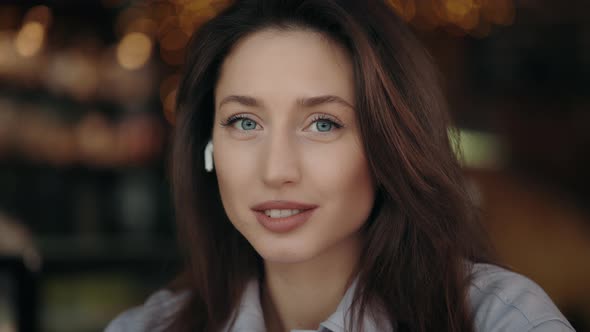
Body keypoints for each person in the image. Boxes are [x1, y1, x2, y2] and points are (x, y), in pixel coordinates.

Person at [106, 0, 574, 331]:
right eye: (244, 122)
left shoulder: (502, 319)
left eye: (323, 124)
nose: (277, 170)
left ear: (388, 145)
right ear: (207, 147)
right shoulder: (147, 327)